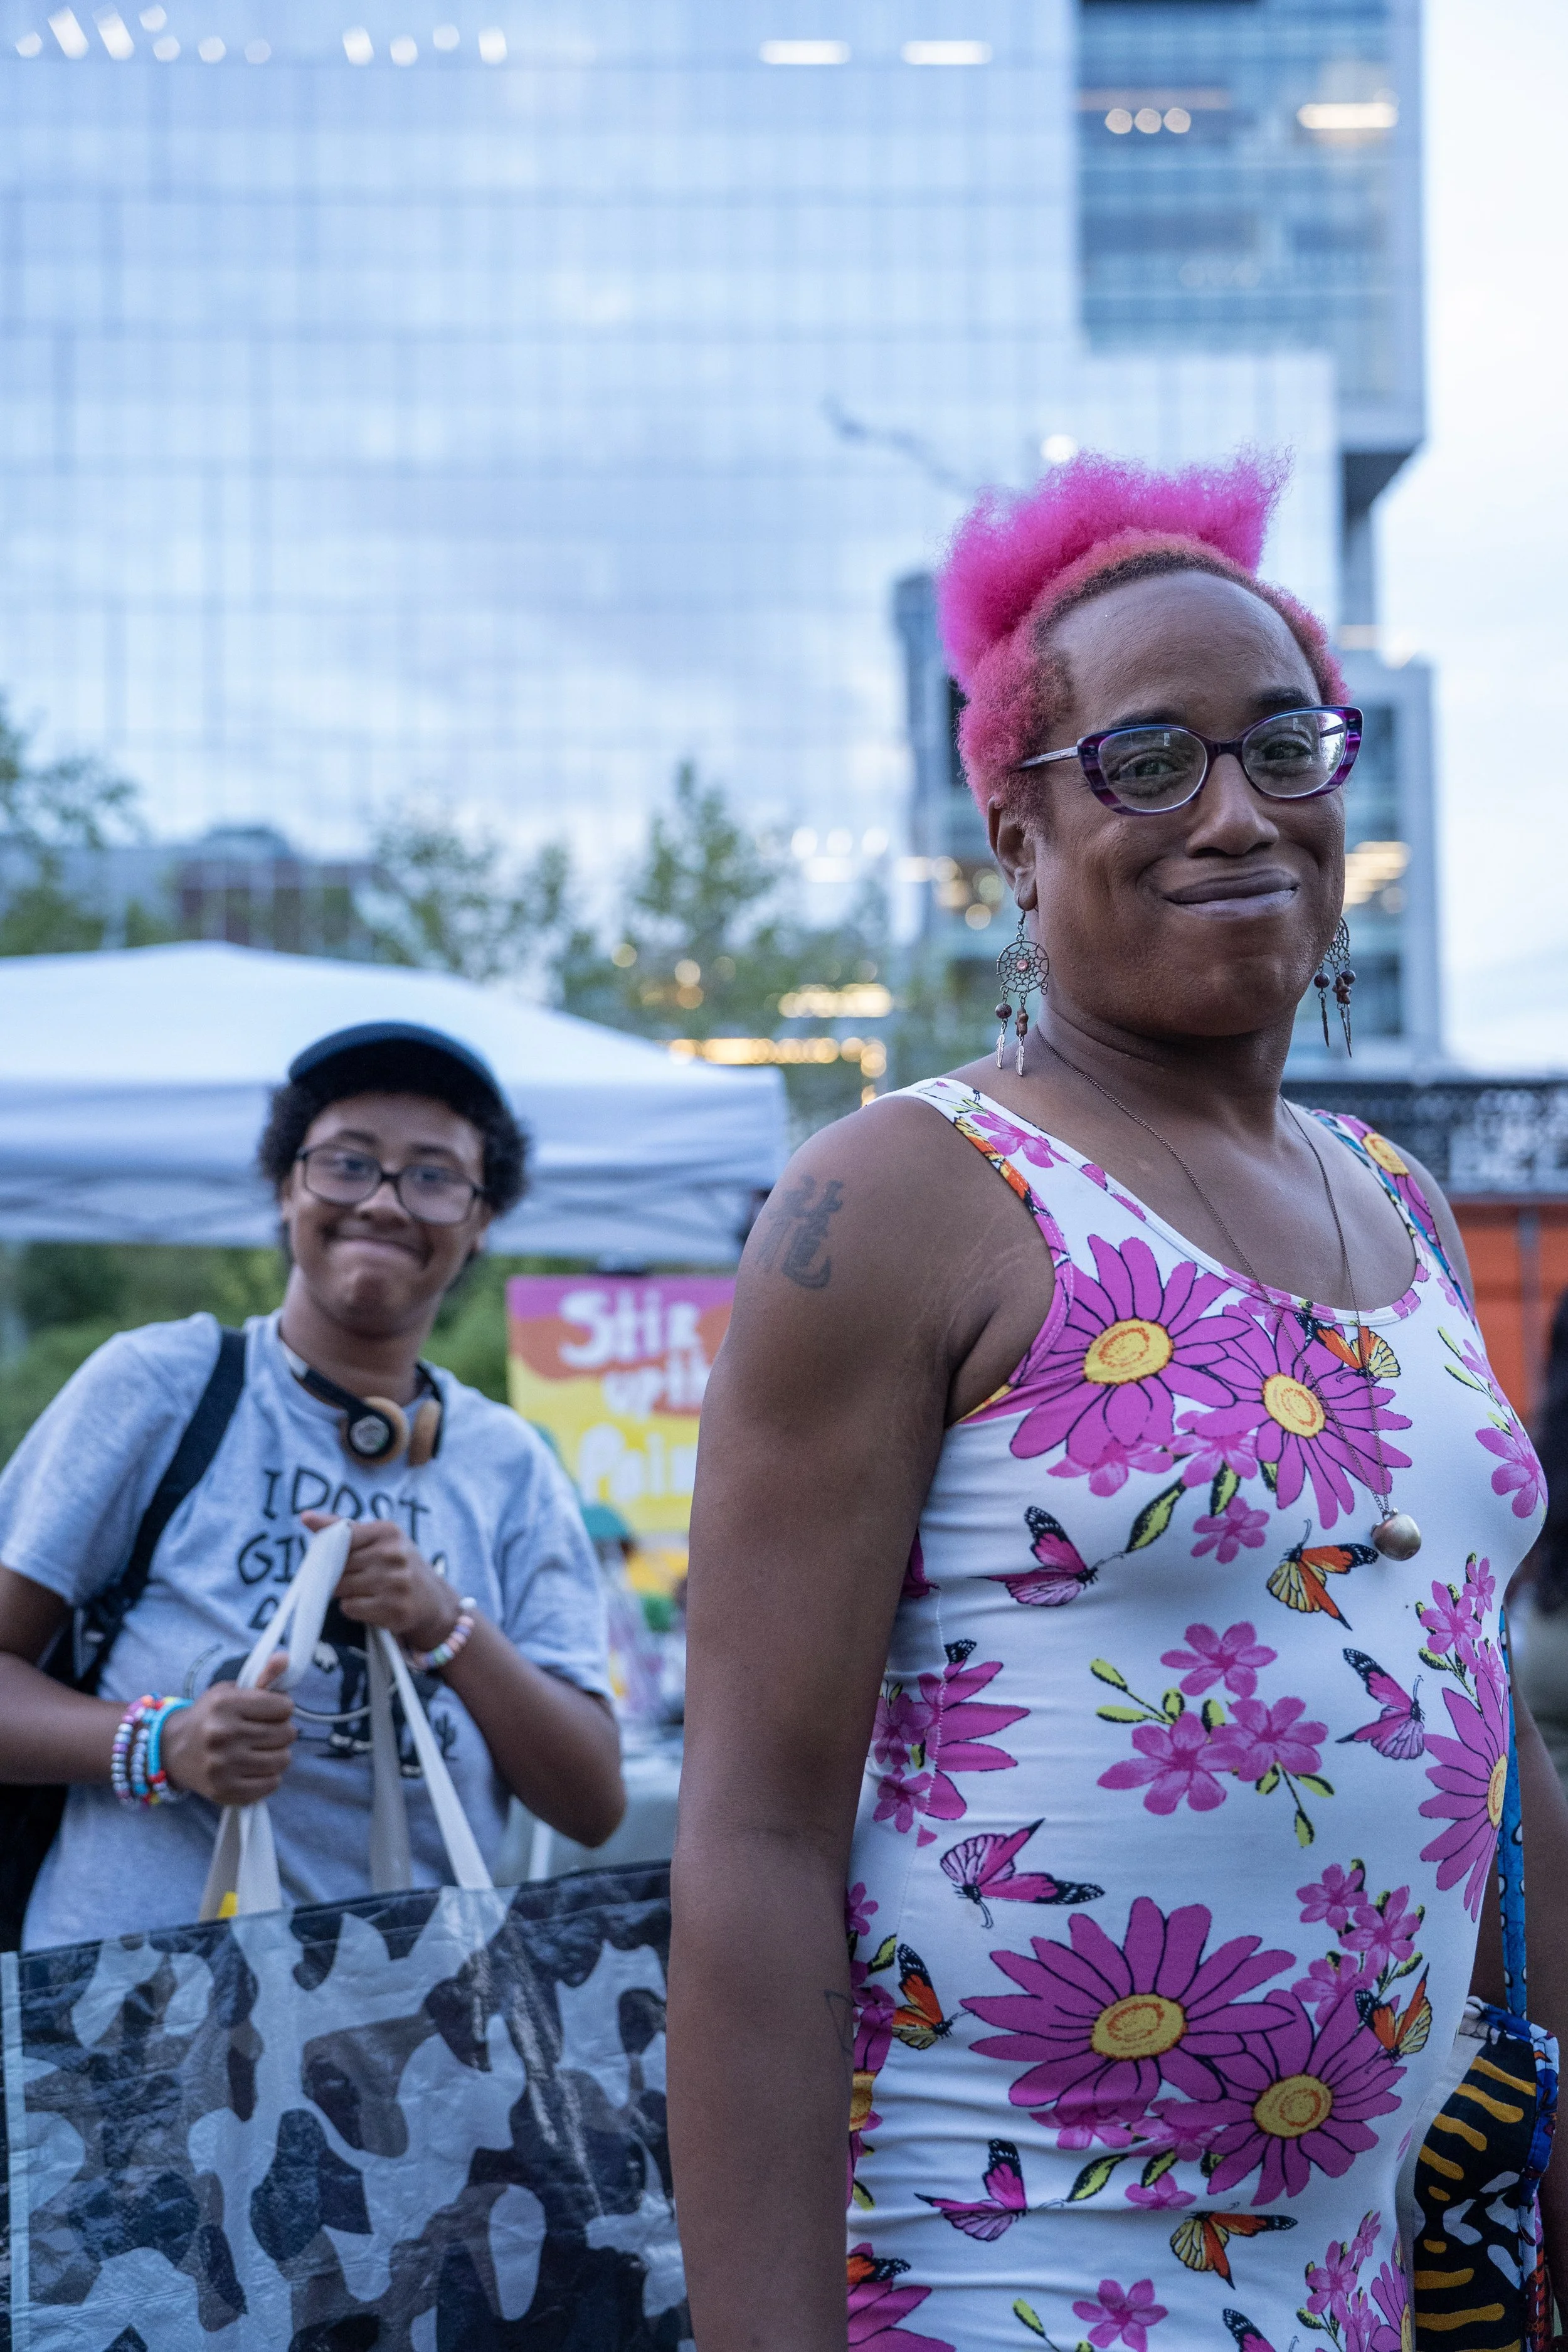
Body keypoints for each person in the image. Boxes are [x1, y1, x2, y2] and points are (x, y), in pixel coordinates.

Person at [669, 454, 1568, 2350]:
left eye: (1284, 747)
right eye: (1148, 760)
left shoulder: (1398, 1203)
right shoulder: (902, 1194)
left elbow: (1480, 1719)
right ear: (1014, 824)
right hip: (1004, 2282)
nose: (1236, 812)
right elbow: (749, 1835)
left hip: (1360, 2284)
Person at [0, 1019, 623, 1949]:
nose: (382, 1201)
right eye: (346, 1162)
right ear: (287, 1182)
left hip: (410, 2035)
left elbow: (592, 1801)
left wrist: (445, 1623)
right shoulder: (158, 1388)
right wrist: (160, 1743)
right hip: (127, 2023)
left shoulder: (509, 1464)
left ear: (481, 1218)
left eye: (433, 1175)